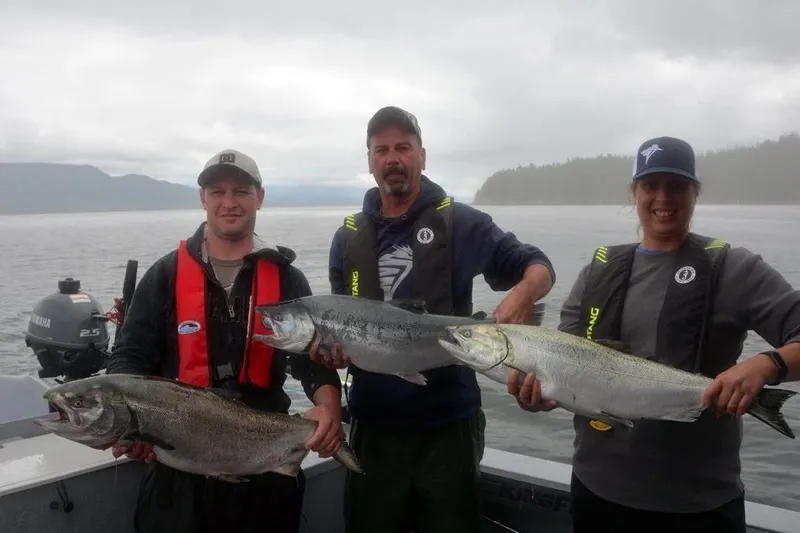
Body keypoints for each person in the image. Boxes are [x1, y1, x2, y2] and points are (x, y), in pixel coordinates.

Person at [508, 136, 800, 533]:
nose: (663, 197)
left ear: (695, 193)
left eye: (676, 185)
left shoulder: (734, 269)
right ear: (635, 192)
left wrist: (767, 364)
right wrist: (543, 395)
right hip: (598, 492)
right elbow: (567, 366)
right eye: (650, 185)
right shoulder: (598, 271)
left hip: (698, 505)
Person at [311, 106, 557, 533]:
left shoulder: (460, 223)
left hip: (449, 428)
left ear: (422, 156)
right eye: (381, 149)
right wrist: (332, 354)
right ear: (370, 161)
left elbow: (537, 266)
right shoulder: (347, 238)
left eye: (403, 147)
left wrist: (523, 294)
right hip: (374, 427)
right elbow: (340, 331)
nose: (393, 158)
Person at [105, 149, 345, 533]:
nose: (229, 203)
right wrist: (129, 425)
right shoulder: (166, 274)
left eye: (241, 191)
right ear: (203, 199)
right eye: (217, 191)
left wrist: (329, 408)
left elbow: (313, 363)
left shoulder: (287, 279)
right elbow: (128, 359)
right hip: (178, 475)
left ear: (260, 198)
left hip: (264, 469)